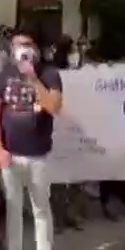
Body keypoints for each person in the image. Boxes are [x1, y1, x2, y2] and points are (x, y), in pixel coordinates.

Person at [0, 32, 64, 250]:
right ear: (11, 50)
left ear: (36, 49)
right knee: (13, 210)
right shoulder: (5, 74)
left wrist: (33, 79)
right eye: (19, 45)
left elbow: (54, 106)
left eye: (28, 44)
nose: (24, 49)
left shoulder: (49, 73)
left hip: (39, 155)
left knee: (41, 210)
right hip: (11, 155)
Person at [47, 35, 86, 231]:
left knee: (77, 177)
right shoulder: (53, 74)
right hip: (59, 128)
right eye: (72, 51)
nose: (75, 55)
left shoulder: (81, 73)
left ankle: (72, 214)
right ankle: (58, 217)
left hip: (77, 127)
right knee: (59, 179)